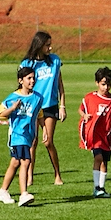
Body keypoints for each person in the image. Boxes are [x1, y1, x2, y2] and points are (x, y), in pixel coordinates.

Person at [23, 31, 66, 186]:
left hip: (50, 106)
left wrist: (62, 105)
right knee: (32, 142)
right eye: (47, 45)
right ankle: (29, 177)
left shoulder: (54, 61)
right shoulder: (27, 64)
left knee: (48, 142)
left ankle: (57, 175)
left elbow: (60, 84)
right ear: (39, 45)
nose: (50, 47)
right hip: (33, 107)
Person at [0, 66, 41, 207]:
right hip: (16, 135)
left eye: (33, 78)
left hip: (28, 136)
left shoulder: (38, 98)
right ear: (21, 81)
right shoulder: (13, 98)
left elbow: (39, 115)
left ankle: (3, 191)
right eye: (29, 78)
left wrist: (44, 131)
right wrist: (13, 108)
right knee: (26, 161)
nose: (32, 81)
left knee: (15, 163)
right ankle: (24, 194)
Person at [78, 67, 111, 198]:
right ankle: (96, 187)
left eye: (108, 84)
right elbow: (81, 109)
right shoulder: (89, 97)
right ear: (97, 83)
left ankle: (102, 188)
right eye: (103, 84)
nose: (106, 87)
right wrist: (85, 115)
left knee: (104, 162)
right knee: (98, 158)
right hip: (94, 135)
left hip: (107, 135)